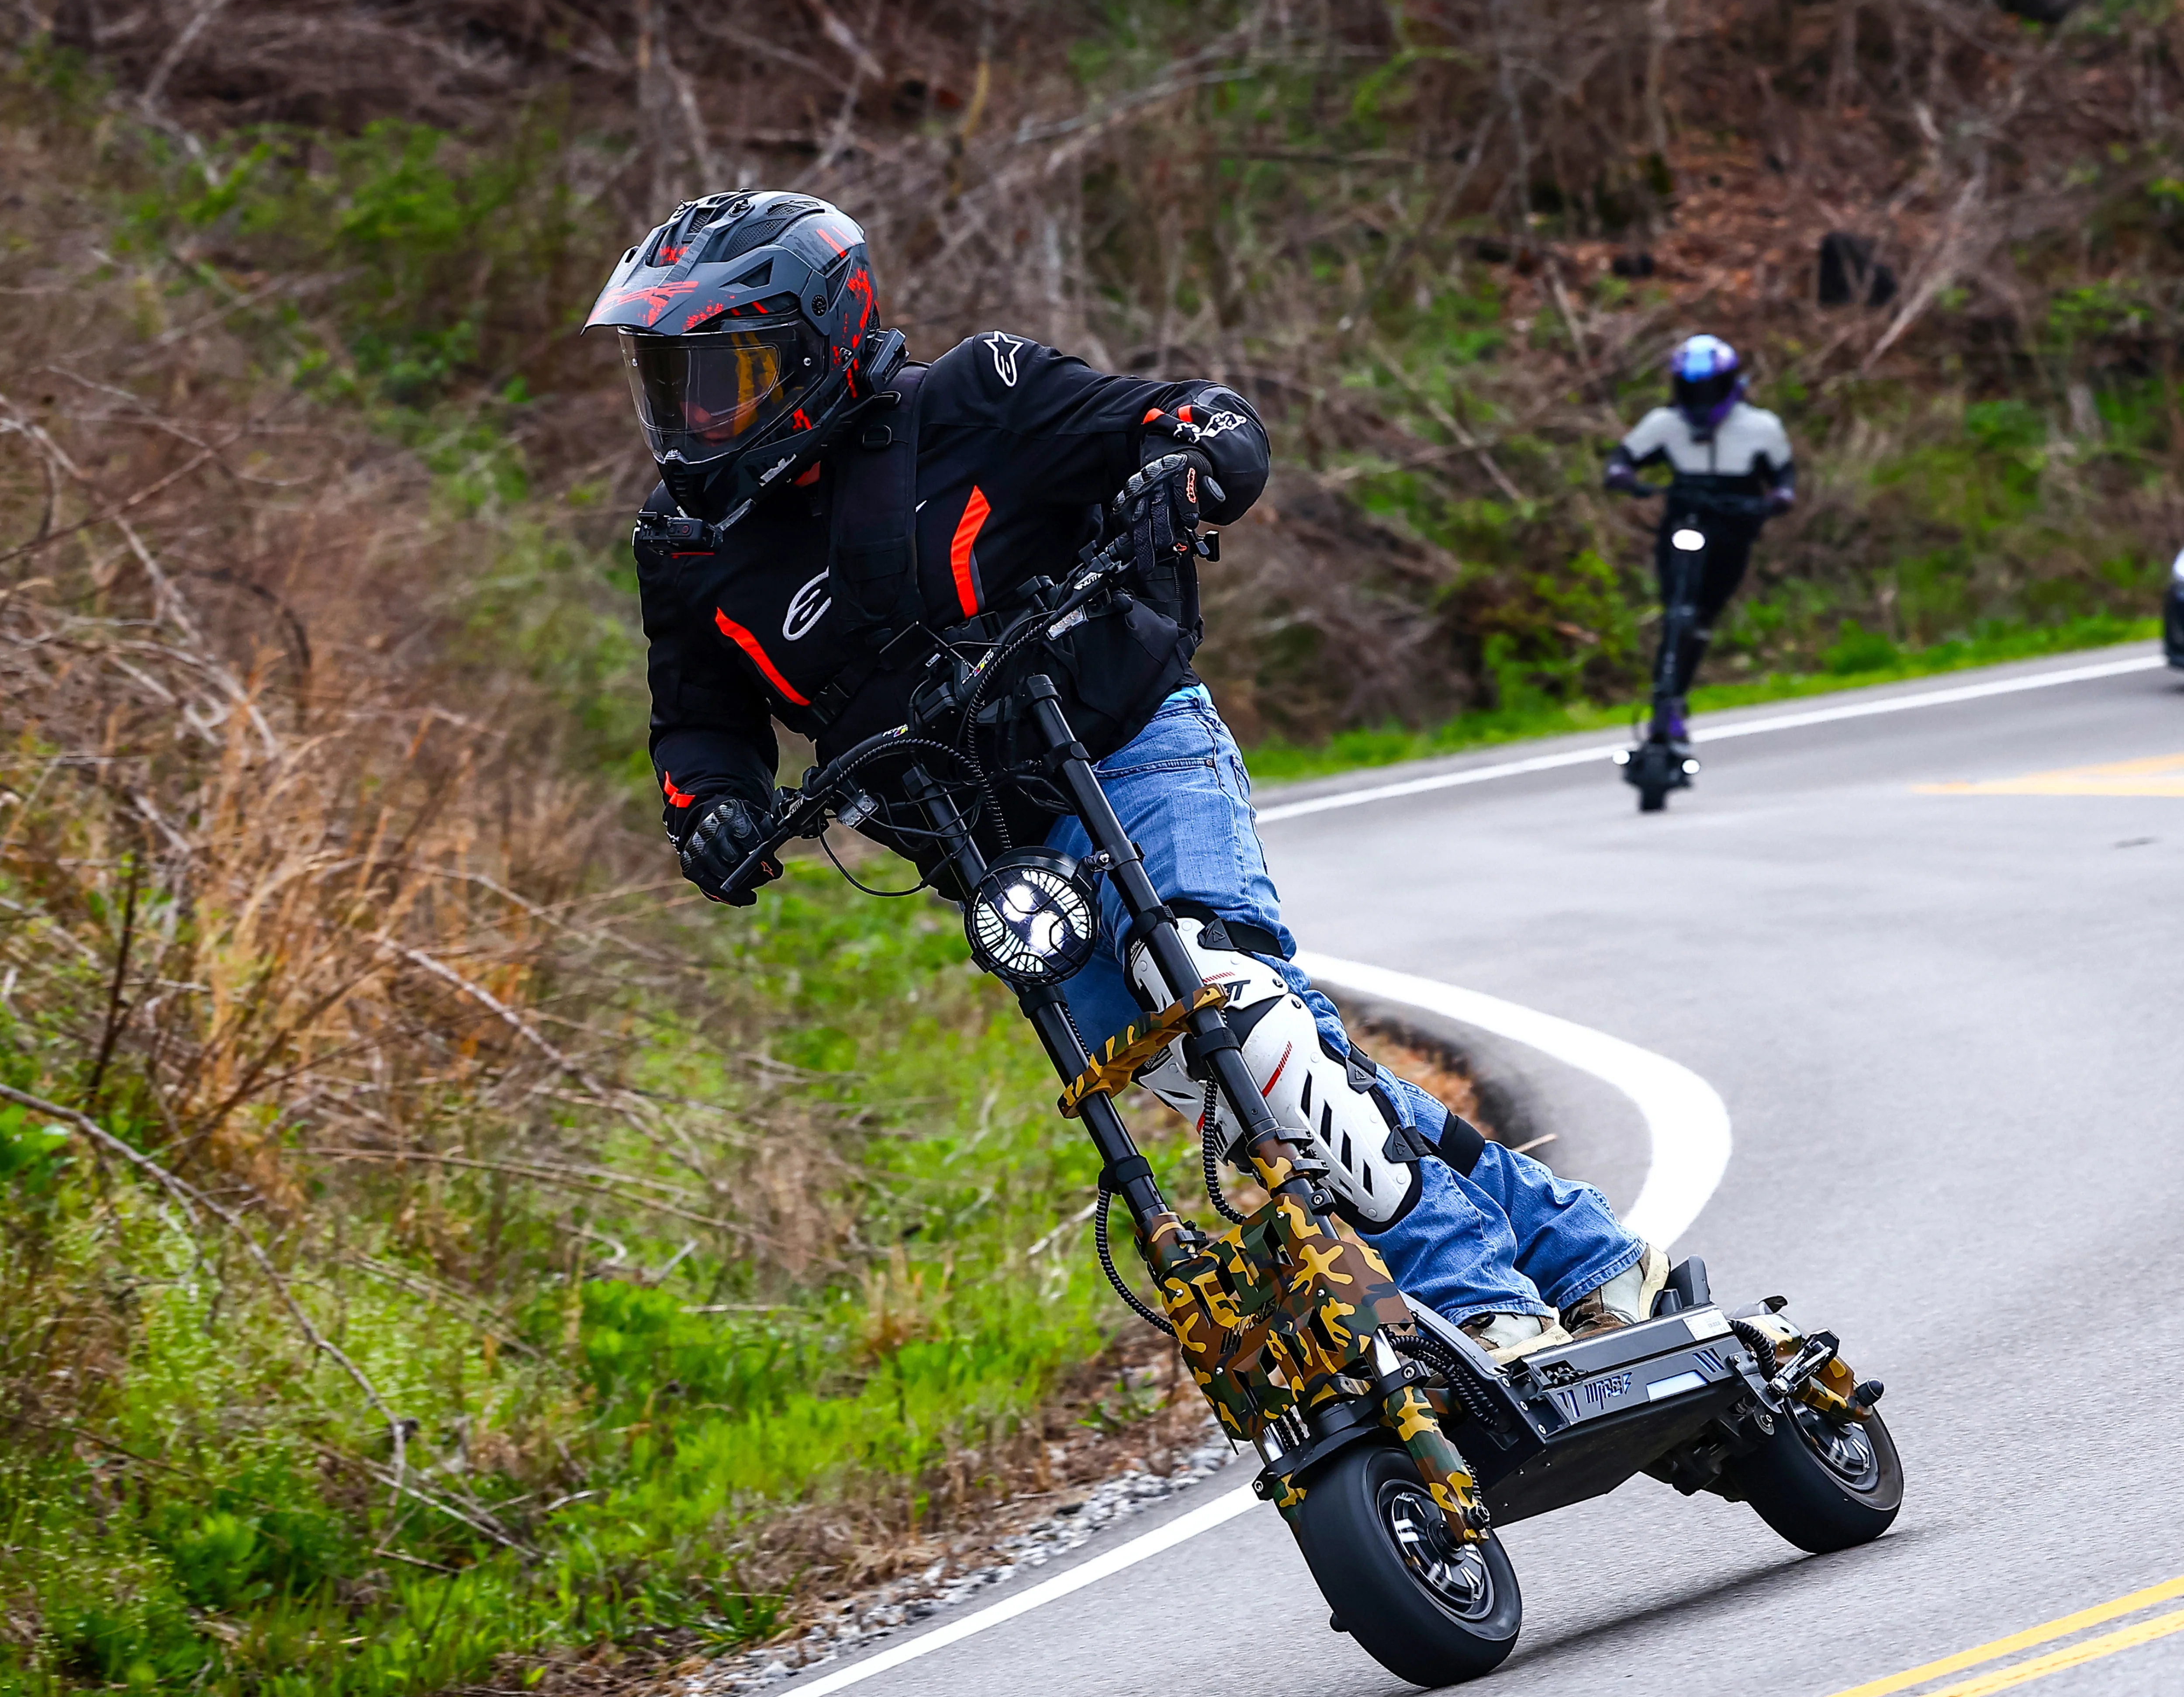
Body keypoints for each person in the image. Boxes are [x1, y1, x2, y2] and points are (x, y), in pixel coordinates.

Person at [590, 189, 1665, 1354]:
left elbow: (1184, 416)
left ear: (822, 342)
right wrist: (712, 812)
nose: (692, 415)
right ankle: (1580, 1247)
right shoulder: (684, 543)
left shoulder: (977, 396)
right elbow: (697, 722)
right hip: (993, 859)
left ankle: (1480, 1304)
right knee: (1239, 1077)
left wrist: (1192, 460)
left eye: (722, 374)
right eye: (668, 378)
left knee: (1222, 999)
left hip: (1132, 747)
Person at [1606, 334, 1795, 744]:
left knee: (1705, 614)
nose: (1701, 398)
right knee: (1678, 610)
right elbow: (1624, 457)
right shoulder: (1665, 424)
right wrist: (1624, 477)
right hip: (1685, 523)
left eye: (1709, 388)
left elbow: (1783, 475)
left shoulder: (1760, 428)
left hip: (1733, 528)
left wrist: (1779, 498)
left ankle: (1679, 690)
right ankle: (1666, 700)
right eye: (1693, 389)